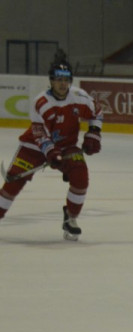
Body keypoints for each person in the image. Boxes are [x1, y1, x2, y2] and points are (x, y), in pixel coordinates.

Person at [0, 58, 102, 240]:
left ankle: (70, 219)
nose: (63, 84)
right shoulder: (41, 102)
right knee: (12, 186)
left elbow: (98, 112)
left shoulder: (80, 97)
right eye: (58, 79)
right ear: (51, 81)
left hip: (67, 146)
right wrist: (51, 152)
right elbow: (40, 133)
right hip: (34, 148)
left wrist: (93, 134)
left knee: (81, 178)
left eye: (66, 79)